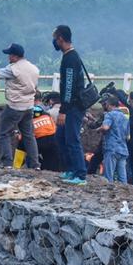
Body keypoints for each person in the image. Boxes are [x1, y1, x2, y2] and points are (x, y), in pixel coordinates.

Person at [0, 43, 39, 169]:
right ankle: (35, 164)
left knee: (4, 133)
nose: (8, 57)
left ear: (15, 56)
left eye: (10, 55)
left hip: (15, 106)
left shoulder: (13, 69)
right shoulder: (34, 68)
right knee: (29, 136)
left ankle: (7, 163)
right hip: (29, 106)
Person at [53, 25, 89, 185]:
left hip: (73, 107)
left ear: (60, 38)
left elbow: (68, 87)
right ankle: (70, 169)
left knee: (72, 139)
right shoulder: (69, 56)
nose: (54, 42)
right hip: (70, 106)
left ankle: (80, 174)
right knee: (60, 137)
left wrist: (63, 110)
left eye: (55, 38)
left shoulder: (70, 58)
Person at [98, 95, 130, 183]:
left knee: (108, 175)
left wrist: (99, 129)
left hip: (112, 147)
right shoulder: (125, 117)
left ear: (109, 105)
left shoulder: (109, 115)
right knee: (122, 176)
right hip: (123, 149)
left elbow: (105, 127)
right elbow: (127, 136)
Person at [32, 101, 62, 172]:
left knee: (30, 152)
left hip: (39, 141)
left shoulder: (29, 119)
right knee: (52, 159)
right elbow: (55, 128)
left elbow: (25, 137)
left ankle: (36, 167)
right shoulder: (47, 116)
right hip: (53, 139)